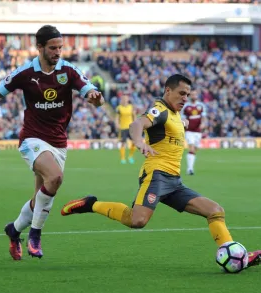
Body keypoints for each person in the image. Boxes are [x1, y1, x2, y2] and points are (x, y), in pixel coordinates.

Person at [61, 74, 261, 268]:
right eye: (181, 93)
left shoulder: (175, 115)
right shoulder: (160, 110)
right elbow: (137, 123)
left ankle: (236, 256)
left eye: (187, 95)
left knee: (215, 211)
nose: (185, 99)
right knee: (137, 220)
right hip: (156, 176)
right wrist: (139, 142)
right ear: (168, 90)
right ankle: (91, 204)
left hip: (174, 182)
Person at [0, 25, 104, 260]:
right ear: (39, 47)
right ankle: (35, 235)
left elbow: (91, 94)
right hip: (32, 139)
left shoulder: (68, 70)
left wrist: (95, 98)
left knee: (40, 196)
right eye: (53, 48)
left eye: (60, 47)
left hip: (58, 142)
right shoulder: (26, 73)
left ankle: (14, 229)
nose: (58, 52)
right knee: (55, 178)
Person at [181, 90, 207, 175]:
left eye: (195, 94)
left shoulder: (201, 106)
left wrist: (203, 124)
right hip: (189, 131)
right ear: (189, 96)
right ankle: (190, 169)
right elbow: (183, 119)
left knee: (195, 149)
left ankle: (190, 165)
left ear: (197, 96)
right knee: (191, 148)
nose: (194, 96)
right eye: (192, 95)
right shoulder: (186, 107)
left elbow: (203, 117)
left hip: (198, 131)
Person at [115, 92, 137, 164]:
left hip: (131, 128)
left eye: (126, 98)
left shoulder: (131, 107)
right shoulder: (119, 108)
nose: (125, 99)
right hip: (123, 128)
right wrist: (117, 124)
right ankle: (123, 158)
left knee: (134, 143)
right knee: (123, 143)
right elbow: (117, 117)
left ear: (128, 99)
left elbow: (134, 116)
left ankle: (130, 156)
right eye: (123, 98)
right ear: (121, 99)